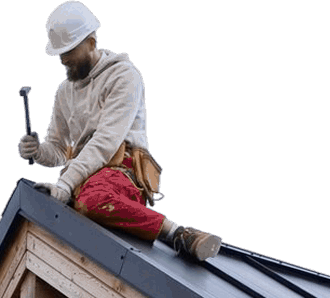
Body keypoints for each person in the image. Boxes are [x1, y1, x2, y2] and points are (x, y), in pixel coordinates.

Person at [18, 2, 222, 262]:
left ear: (91, 42)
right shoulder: (64, 91)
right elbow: (58, 149)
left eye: (69, 50)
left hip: (121, 170)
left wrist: (65, 185)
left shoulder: (124, 76)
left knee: (92, 202)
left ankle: (178, 233)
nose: (64, 58)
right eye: (60, 53)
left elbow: (106, 142)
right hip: (84, 175)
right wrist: (37, 152)